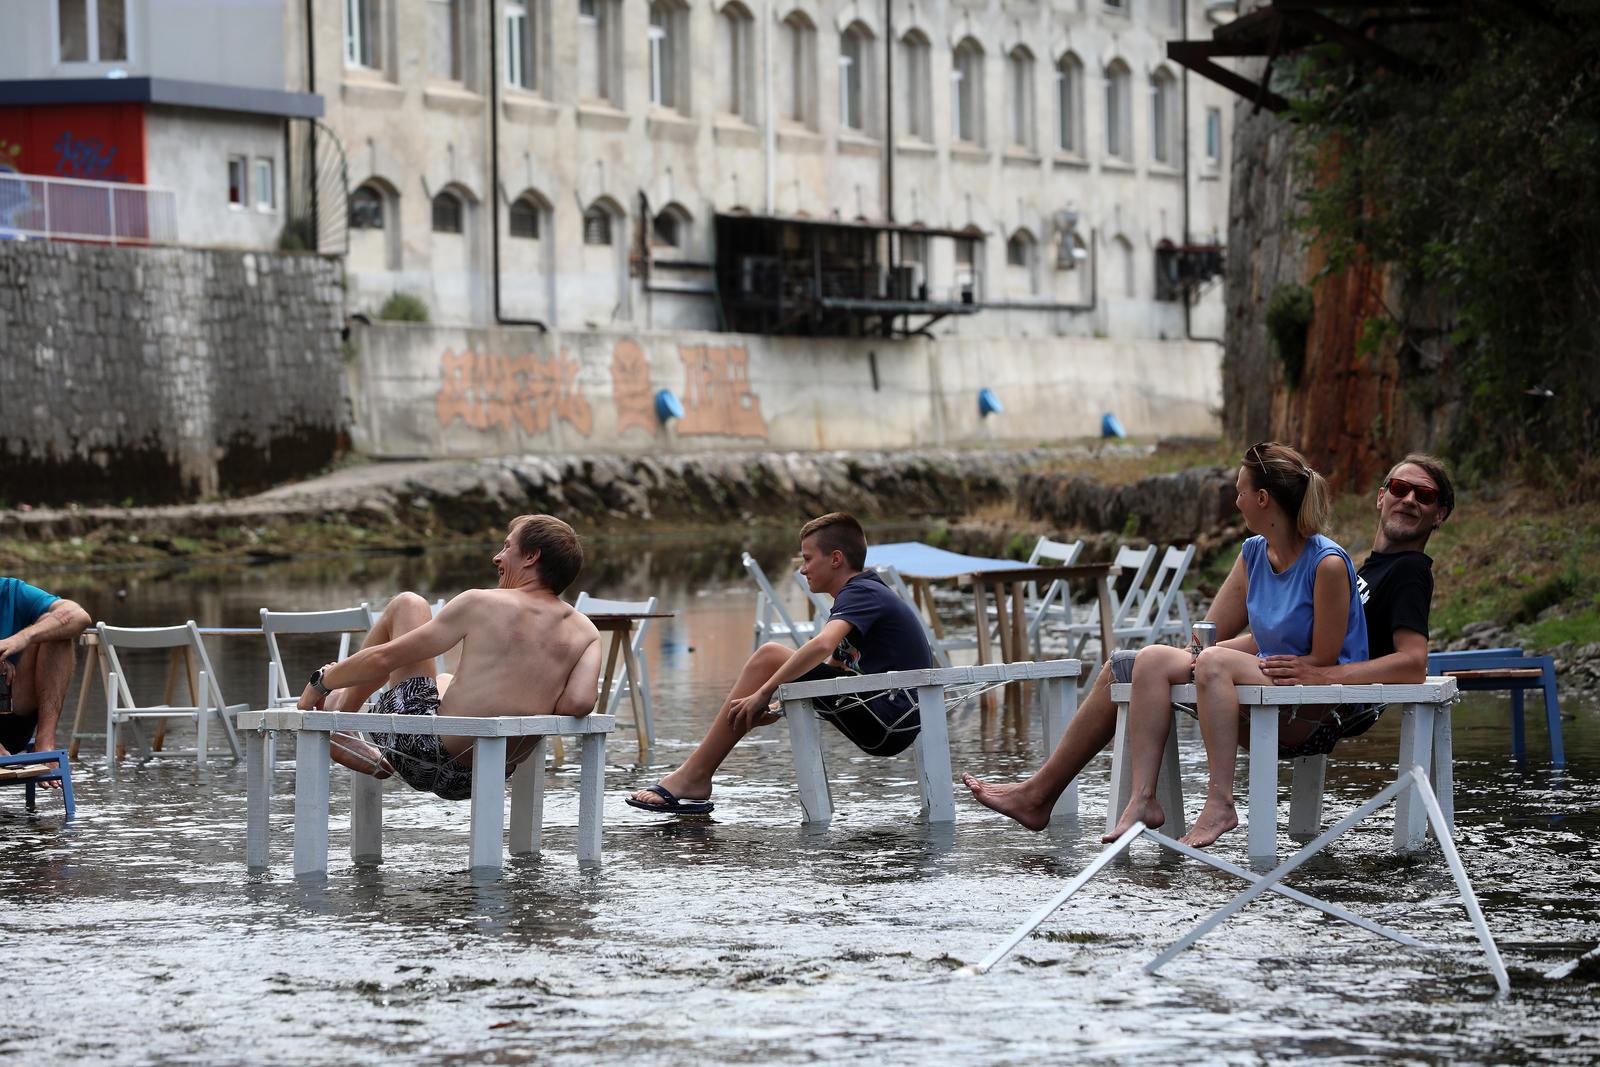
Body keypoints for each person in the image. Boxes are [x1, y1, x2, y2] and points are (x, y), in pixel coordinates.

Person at [965, 449, 1452, 844]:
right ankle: (1115, 797)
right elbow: (1251, 632)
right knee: (1137, 662)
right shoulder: (1292, 557)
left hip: (1318, 702)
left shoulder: (1393, 570)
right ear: (1380, 496)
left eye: (1423, 495)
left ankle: (1217, 802)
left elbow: (1391, 661)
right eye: (1398, 488)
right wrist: (1194, 655)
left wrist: (1314, 674)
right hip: (1270, 673)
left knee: (1208, 661)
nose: (1407, 499)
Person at [627, 512, 934, 815]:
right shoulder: (859, 595)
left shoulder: (861, 592)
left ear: (836, 559)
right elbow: (834, 669)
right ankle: (694, 776)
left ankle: (694, 776)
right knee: (773, 662)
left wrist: (764, 692)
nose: (802, 570)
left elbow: (823, 645)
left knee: (769, 655)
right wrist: (776, 708)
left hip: (891, 715)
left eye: (807, 559)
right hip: (890, 719)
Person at [296, 515, 601, 801]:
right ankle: (343, 712)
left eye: (508, 547)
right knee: (443, 680)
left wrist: (320, 683)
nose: (497, 557)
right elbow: (578, 703)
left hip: (423, 753)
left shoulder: (482, 602)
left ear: (532, 557)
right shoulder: (586, 631)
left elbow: (384, 659)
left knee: (408, 603)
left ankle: (342, 721)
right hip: (487, 775)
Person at [0, 577, 92, 786]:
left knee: (55, 630)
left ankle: (45, 744)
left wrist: (22, 638)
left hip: (16, 711)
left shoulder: (10, 590)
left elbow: (79, 616)